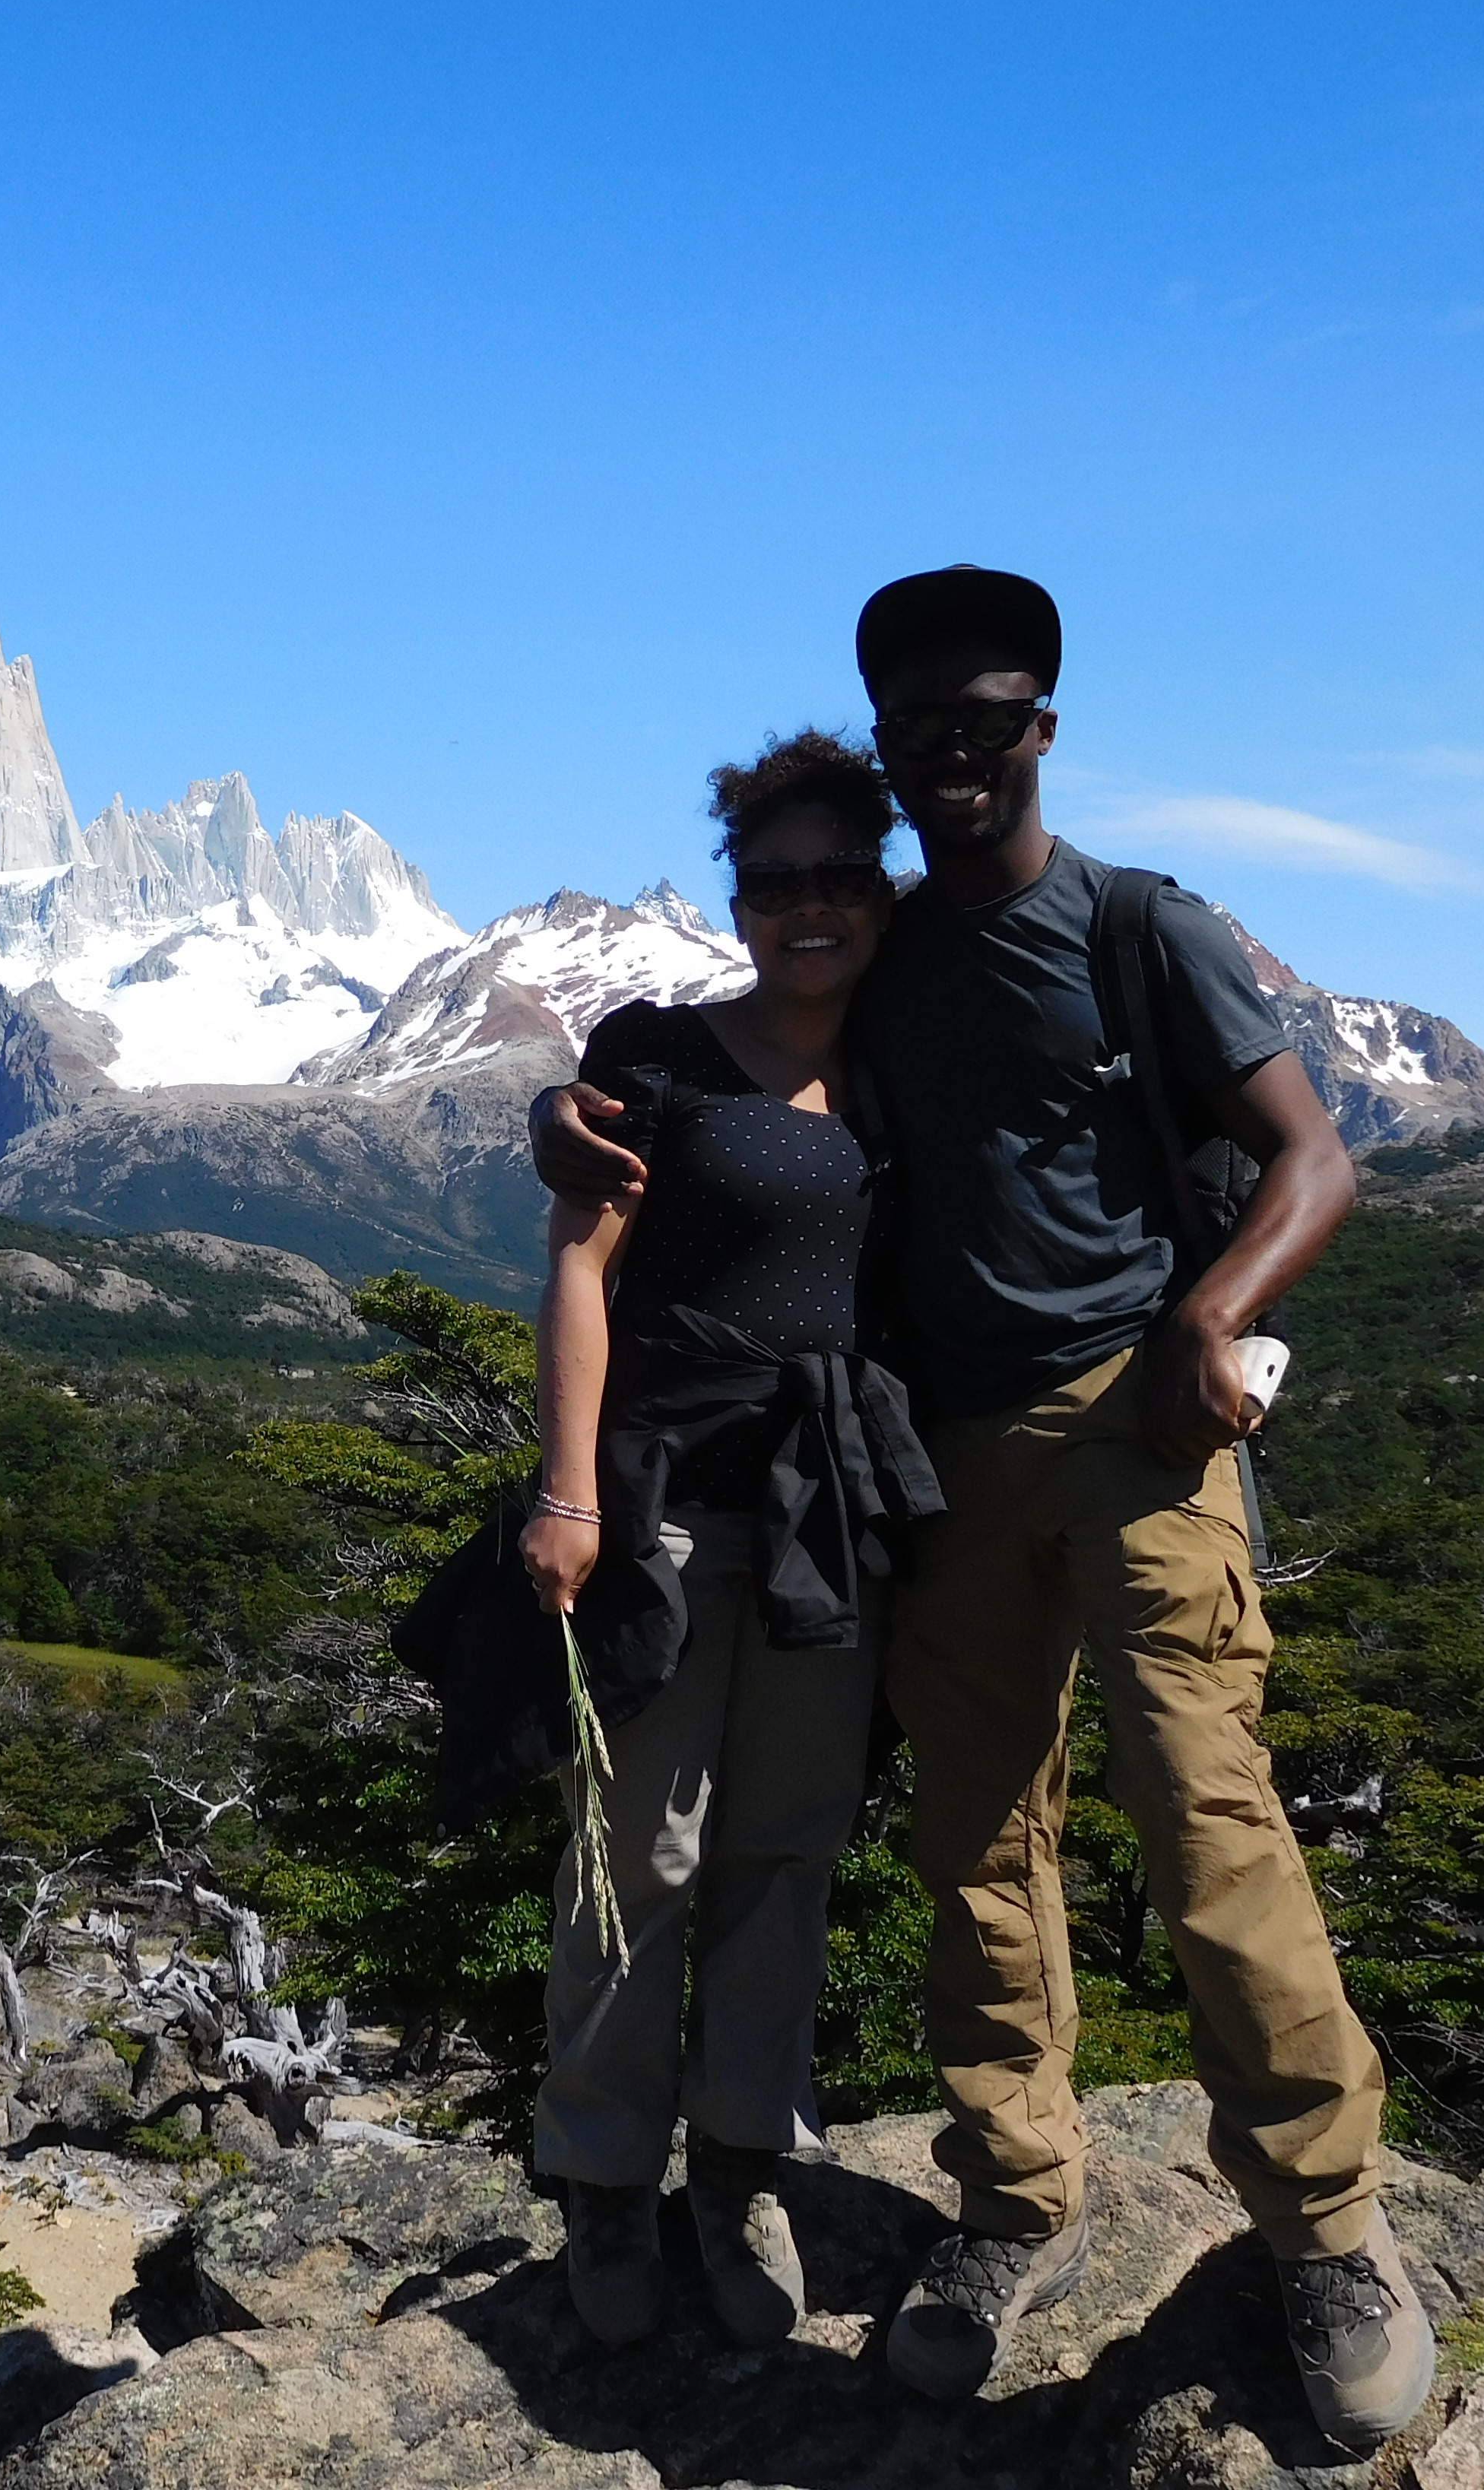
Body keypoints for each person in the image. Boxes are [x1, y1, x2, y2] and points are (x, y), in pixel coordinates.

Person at [528, 568, 1435, 2456]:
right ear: (886, 751)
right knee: (976, 1840)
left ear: (1043, 728)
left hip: (1135, 1428)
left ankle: (1328, 2234)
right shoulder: (885, 948)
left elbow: (1313, 1157)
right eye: (916, 729)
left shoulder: (1137, 927)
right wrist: (567, 1107)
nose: (951, 754)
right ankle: (1014, 2198)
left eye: (985, 719)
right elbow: (694, 1108)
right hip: (940, 1458)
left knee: (1207, 1819)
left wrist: (1214, 1308)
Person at [520, 731, 942, 2350]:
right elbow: (579, 1265)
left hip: (830, 1514)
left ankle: (741, 2171)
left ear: (881, 887)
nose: (811, 910)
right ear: (740, 901)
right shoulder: (661, 1051)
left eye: (844, 877)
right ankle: (608, 2181)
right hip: (675, 1499)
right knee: (642, 1853)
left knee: (785, 1853)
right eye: (777, 884)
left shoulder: (908, 1066)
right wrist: (569, 1494)